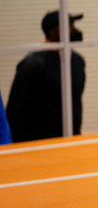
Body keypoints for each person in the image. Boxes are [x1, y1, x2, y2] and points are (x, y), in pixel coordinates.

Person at [6, 11, 86, 142]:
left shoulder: (77, 61)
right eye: (68, 26)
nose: (73, 31)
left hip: (71, 139)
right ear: (53, 32)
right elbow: (15, 108)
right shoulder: (33, 64)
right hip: (38, 142)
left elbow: (75, 103)